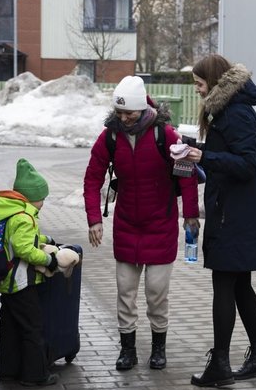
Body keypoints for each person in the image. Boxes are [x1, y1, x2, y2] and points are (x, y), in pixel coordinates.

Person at [83, 75, 200, 371]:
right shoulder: (110, 136)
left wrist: (190, 216)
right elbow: (92, 177)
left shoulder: (165, 134)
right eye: (119, 113)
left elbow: (186, 172)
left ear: (141, 108)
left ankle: (159, 348)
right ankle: (128, 349)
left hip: (160, 225)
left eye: (129, 113)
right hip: (126, 225)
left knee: (156, 293)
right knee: (125, 292)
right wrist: (94, 219)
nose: (123, 119)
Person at [179, 54, 256, 388]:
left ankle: (220, 365)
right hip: (234, 210)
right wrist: (198, 150)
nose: (197, 91)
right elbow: (230, 153)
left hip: (236, 214)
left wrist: (205, 155)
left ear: (215, 81)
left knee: (225, 283)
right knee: (240, 284)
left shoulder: (237, 112)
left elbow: (249, 164)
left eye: (199, 84)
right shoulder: (228, 110)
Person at [0, 158, 60, 386]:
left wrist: (45, 239)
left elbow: (16, 238)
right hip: (21, 282)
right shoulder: (24, 217)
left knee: (10, 327)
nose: (43, 203)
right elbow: (24, 248)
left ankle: (8, 370)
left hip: (8, 283)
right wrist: (49, 260)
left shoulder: (11, 212)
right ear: (32, 197)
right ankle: (35, 375)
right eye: (42, 198)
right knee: (32, 327)